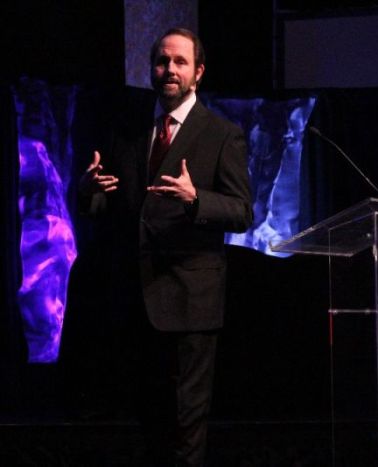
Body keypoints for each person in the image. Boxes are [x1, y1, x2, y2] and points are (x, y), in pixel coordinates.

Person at [78, 27, 252, 466]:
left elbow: (241, 211)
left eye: (180, 63)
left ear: (198, 73)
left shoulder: (221, 134)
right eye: (162, 62)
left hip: (190, 302)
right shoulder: (130, 129)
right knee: (149, 421)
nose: (169, 70)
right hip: (135, 298)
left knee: (185, 425)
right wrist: (87, 191)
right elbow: (108, 204)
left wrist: (197, 200)